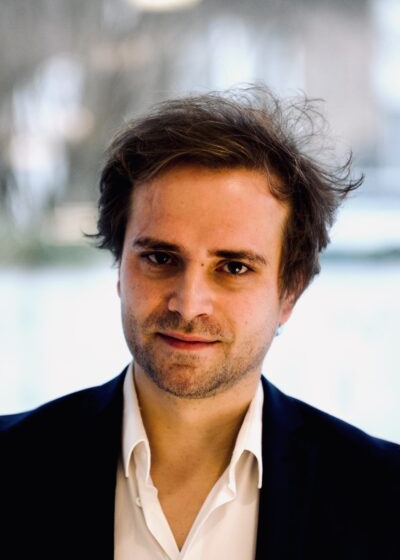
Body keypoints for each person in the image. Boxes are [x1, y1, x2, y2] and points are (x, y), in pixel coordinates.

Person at [1, 86, 399, 560]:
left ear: (289, 292)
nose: (188, 305)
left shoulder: (384, 498)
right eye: (160, 257)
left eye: (233, 267)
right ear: (119, 267)